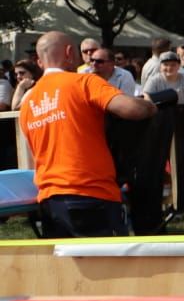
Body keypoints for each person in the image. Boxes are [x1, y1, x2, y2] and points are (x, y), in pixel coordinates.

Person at [21, 31, 156, 237]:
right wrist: (149, 104)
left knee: (66, 268)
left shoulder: (28, 103)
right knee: (110, 268)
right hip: (92, 194)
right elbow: (132, 109)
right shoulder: (83, 83)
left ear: (40, 61)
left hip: (50, 200)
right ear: (69, 53)